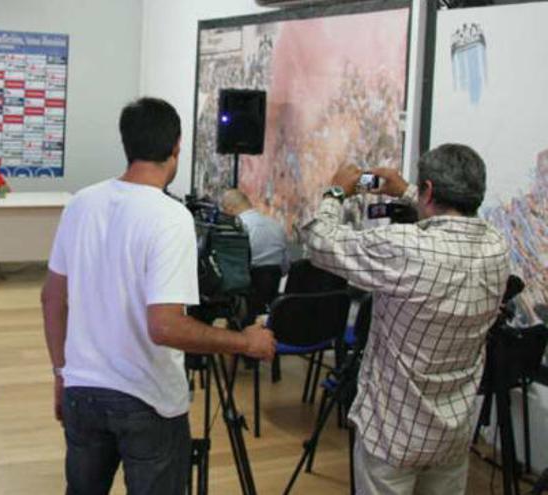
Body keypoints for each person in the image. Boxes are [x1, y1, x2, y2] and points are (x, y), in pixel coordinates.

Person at [41, 97, 277, 495]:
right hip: (146, 399)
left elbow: (51, 299)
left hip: (83, 389)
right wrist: (244, 342)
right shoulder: (170, 217)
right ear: (176, 148)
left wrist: (61, 373)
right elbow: (165, 325)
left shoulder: (81, 203)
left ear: (127, 144)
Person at [302, 144, 510, 495]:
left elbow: (319, 241)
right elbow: (448, 219)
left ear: (428, 190)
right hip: (452, 431)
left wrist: (335, 191)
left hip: (394, 432)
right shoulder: (497, 246)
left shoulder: (405, 247)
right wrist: (407, 191)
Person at [220, 188, 290, 273]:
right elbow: (286, 266)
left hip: (245, 283)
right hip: (275, 284)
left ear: (229, 208)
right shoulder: (276, 225)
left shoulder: (236, 228)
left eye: (223, 209)